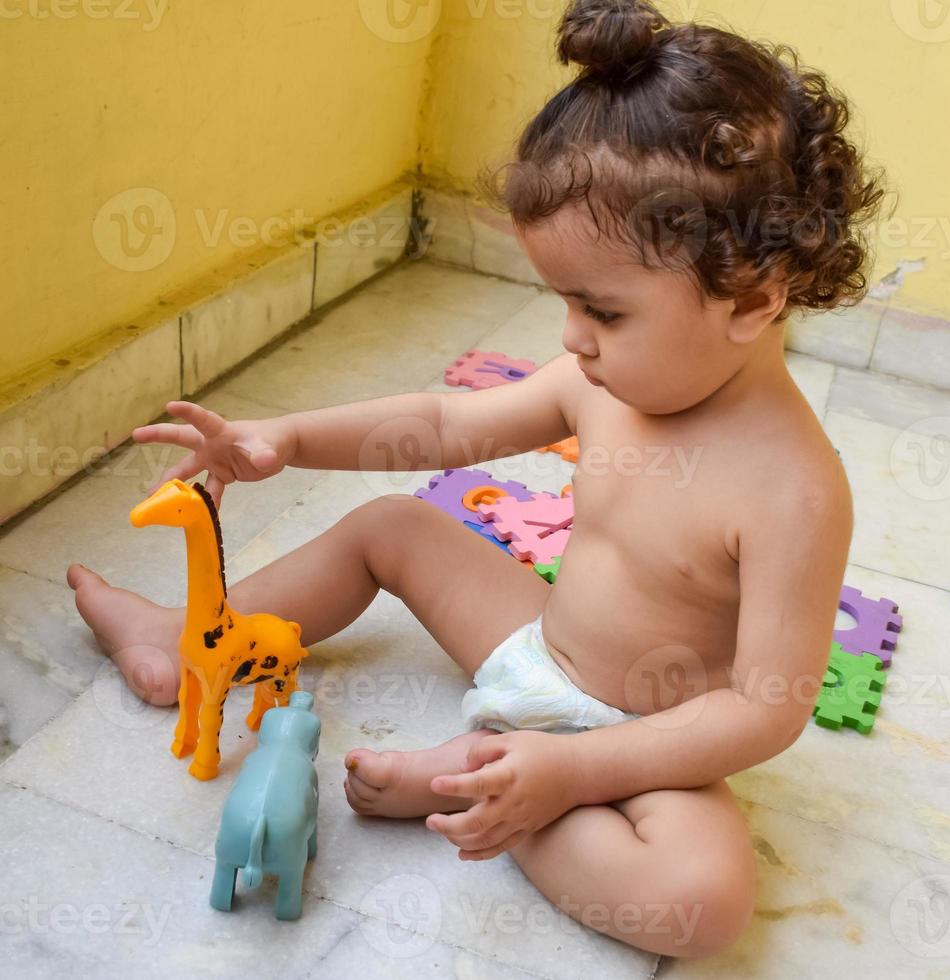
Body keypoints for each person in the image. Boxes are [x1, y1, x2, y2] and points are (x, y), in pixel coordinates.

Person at [67, 0, 886, 958]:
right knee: (392, 526)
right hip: (538, 645)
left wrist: (575, 774)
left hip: (641, 740)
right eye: (564, 302)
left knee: (701, 903)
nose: (574, 338)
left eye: (605, 312)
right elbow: (448, 425)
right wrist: (284, 437)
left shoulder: (795, 490)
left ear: (753, 297)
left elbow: (764, 708)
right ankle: (177, 638)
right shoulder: (605, 387)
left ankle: (479, 783)